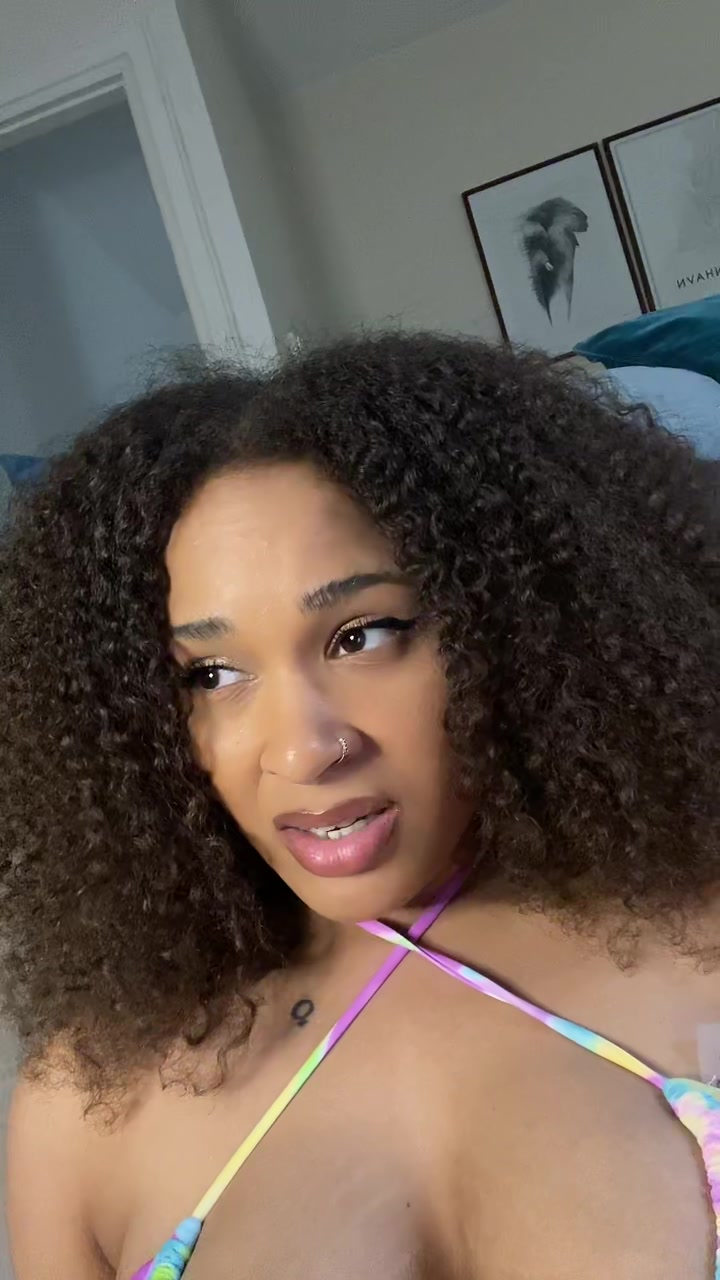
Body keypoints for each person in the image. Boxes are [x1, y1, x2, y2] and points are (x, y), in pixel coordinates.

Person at [2, 334, 719, 1280]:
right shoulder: (85, 1110)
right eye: (210, 674)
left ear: (514, 622)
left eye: (362, 636)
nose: (305, 749)